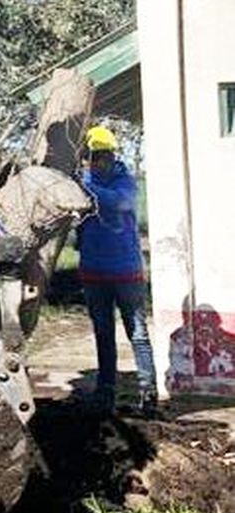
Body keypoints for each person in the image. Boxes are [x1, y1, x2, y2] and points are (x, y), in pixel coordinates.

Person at [79, 124, 156, 416]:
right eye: (94, 155)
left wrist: (86, 185)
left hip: (126, 273)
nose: (100, 160)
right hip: (93, 272)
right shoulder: (81, 183)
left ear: (112, 154)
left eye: (104, 154)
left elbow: (118, 203)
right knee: (103, 334)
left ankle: (147, 393)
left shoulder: (125, 182)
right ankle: (106, 394)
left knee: (137, 333)